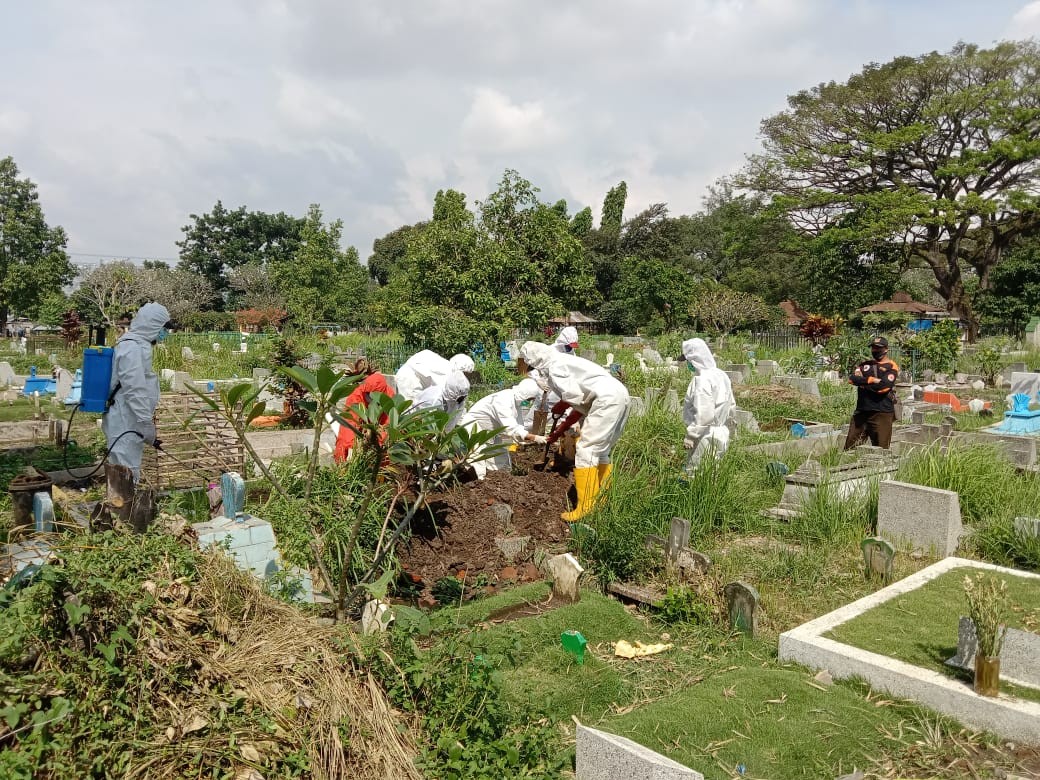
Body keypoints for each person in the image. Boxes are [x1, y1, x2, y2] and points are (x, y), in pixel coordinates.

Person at [518, 341, 630, 522]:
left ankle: (585, 507)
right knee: (601, 452)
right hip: (619, 395)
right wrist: (560, 428)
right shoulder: (564, 360)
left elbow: (576, 403)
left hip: (605, 399)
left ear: (535, 362)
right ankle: (602, 500)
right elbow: (579, 404)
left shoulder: (555, 369)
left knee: (586, 450)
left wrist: (561, 406)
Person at [99, 302, 170, 529]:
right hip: (126, 419)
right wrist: (144, 423)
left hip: (129, 419)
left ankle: (124, 519)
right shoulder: (131, 348)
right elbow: (135, 389)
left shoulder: (138, 346)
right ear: (152, 325)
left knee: (128, 468)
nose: (165, 332)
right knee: (125, 470)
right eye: (162, 326)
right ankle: (125, 524)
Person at [459, 378, 546, 479]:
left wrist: (522, 437)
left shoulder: (515, 401)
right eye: (529, 399)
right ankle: (478, 485)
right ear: (524, 395)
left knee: (502, 462)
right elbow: (510, 426)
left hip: (491, 430)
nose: (529, 402)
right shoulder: (503, 400)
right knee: (477, 460)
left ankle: (502, 481)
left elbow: (518, 424)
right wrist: (534, 437)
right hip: (474, 426)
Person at [681, 338, 735, 474]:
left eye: (688, 360)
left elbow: (704, 413)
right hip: (721, 432)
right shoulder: (721, 374)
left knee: (696, 474)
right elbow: (731, 405)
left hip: (704, 435)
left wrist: (691, 435)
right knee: (714, 473)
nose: (688, 364)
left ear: (694, 359)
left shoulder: (702, 380)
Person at [332, 358, 395, 463]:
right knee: (344, 443)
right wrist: (351, 451)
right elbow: (350, 426)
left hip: (379, 431)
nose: (372, 403)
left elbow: (388, 424)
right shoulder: (356, 397)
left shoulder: (389, 396)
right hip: (361, 430)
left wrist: (378, 443)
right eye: (369, 397)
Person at [844, 336, 900, 450]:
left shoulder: (891, 366)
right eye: (873, 348)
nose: (875, 350)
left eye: (878, 348)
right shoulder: (865, 365)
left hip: (881, 412)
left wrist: (863, 383)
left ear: (886, 349)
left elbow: (883, 387)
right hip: (862, 412)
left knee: (881, 449)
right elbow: (852, 379)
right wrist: (872, 380)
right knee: (850, 448)